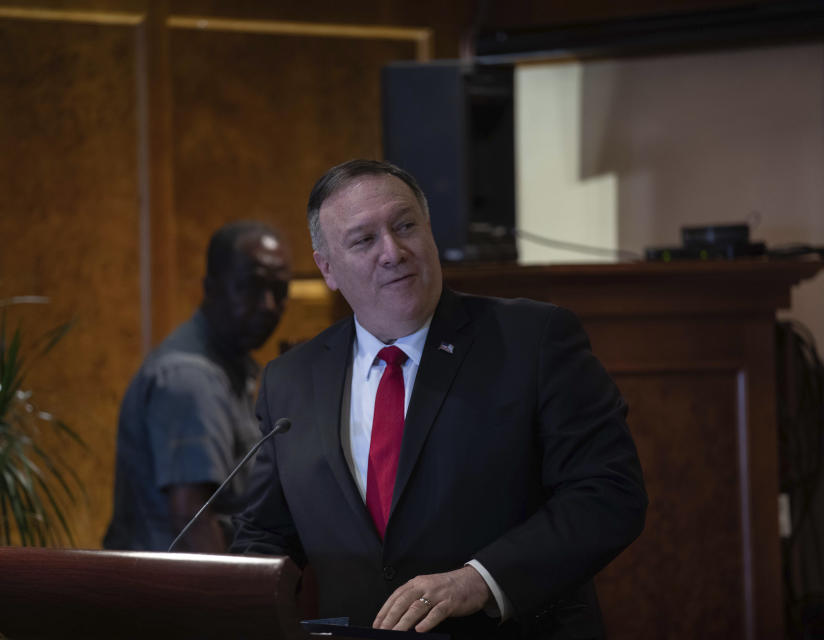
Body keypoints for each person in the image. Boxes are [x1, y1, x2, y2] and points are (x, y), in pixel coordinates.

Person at [230, 160, 647, 639]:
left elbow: (609, 493)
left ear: (429, 232)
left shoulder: (533, 339)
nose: (393, 252)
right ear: (327, 268)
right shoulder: (291, 379)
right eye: (364, 240)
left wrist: (480, 580)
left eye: (405, 225)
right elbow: (264, 534)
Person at [103, 221, 291, 553]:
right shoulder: (192, 378)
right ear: (211, 288)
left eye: (279, 291)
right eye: (251, 286)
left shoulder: (232, 367)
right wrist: (230, 605)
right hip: (168, 596)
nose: (268, 305)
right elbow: (194, 519)